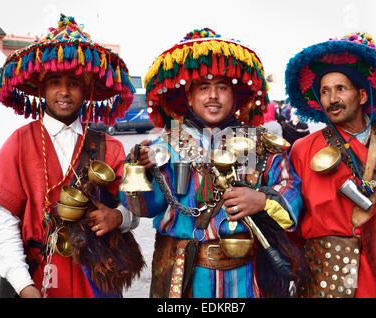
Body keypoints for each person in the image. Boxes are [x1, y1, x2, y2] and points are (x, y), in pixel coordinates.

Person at [120, 28, 305, 298]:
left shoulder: (262, 143)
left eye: (222, 87)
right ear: (189, 97)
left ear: (235, 95)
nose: (213, 96)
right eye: (204, 88)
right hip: (183, 276)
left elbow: (291, 187)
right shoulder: (167, 144)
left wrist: (262, 201)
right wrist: (138, 171)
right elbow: (145, 208)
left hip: (250, 277)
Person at [0, 15, 144, 298]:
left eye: (74, 83)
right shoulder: (18, 143)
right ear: (42, 88)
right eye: (55, 82)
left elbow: (135, 209)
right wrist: (22, 284)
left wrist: (118, 216)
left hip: (96, 280)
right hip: (36, 276)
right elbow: (1, 221)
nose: (64, 92)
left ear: (87, 89)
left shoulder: (111, 147)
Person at [285, 32, 376, 298]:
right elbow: (290, 216)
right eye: (325, 92)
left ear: (362, 96)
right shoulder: (304, 149)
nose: (332, 99)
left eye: (341, 89)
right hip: (326, 276)